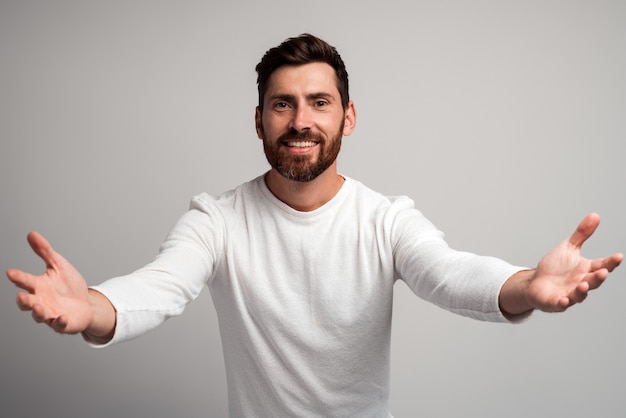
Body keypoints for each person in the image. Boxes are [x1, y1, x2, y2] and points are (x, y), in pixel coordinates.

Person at [6, 34, 623, 417]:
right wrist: (91, 309)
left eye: (319, 102)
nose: (301, 121)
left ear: (348, 117)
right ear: (259, 120)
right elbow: (160, 287)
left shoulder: (385, 220)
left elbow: (448, 271)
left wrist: (524, 286)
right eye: (283, 104)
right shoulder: (216, 220)